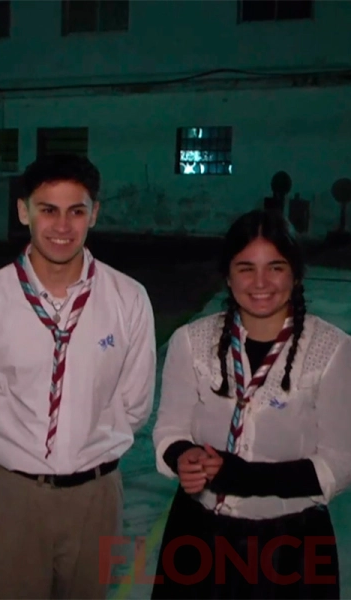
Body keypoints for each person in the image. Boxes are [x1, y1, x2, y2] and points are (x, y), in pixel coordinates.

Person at [0, 154, 157, 599]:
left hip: (97, 496)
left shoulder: (129, 299)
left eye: (76, 211)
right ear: (23, 211)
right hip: (13, 494)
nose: (62, 226)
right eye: (48, 210)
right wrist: (20, 457)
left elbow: (137, 403)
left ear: (94, 214)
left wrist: (88, 445)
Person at [151, 209, 351, 599]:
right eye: (245, 268)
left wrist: (241, 477)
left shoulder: (332, 351)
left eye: (275, 267)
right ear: (227, 275)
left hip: (291, 545)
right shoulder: (192, 342)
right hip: (198, 534)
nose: (261, 283)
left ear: (296, 273)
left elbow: (338, 464)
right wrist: (183, 458)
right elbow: (169, 429)